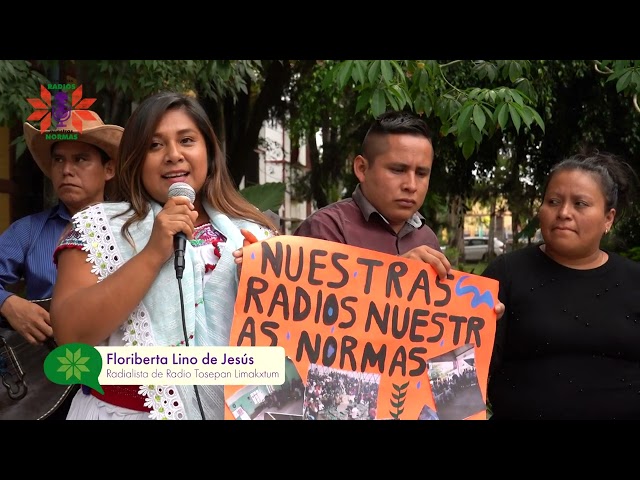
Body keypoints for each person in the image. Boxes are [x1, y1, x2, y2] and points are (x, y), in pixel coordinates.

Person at [50, 91, 278, 420]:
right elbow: (70, 338)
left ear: (209, 153)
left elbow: (292, 341)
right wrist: (153, 253)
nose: (173, 155)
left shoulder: (257, 232)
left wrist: (264, 281)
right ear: (136, 159)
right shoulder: (99, 229)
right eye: (155, 145)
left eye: (187, 140)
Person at [482, 151, 640, 420]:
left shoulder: (634, 280)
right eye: (553, 201)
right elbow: (465, 367)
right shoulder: (506, 273)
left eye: (580, 203)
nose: (564, 213)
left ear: (608, 218)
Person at [0, 111, 121, 420]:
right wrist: (8, 303)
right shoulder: (27, 231)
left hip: (121, 385)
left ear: (108, 169)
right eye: (59, 160)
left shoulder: (135, 230)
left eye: (81, 159)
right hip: (46, 387)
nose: (67, 170)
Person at [293, 110, 452, 280]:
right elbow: (312, 301)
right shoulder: (326, 230)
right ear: (362, 169)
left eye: (421, 173)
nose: (411, 185)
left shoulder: (427, 239)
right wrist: (395, 272)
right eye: (398, 170)